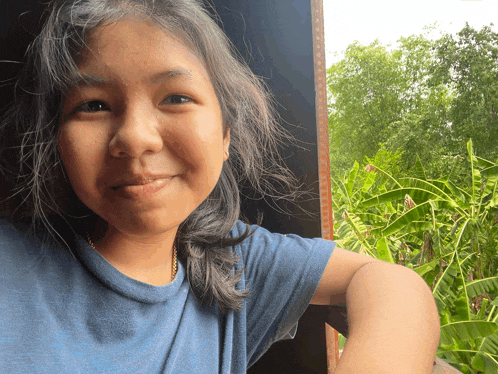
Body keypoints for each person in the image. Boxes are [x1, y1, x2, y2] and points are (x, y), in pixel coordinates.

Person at [0, 0, 440, 373]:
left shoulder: (234, 263)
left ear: (225, 135)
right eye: (93, 105)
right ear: (56, 140)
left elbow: (387, 282)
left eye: (175, 97)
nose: (135, 137)